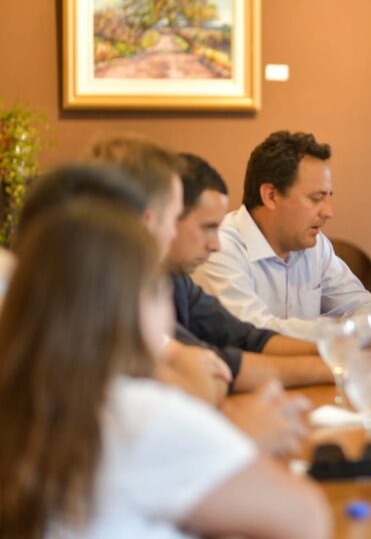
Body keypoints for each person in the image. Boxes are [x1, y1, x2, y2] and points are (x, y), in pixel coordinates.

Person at [0, 200, 331, 538]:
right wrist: (239, 442)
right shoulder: (136, 415)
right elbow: (307, 517)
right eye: (159, 289)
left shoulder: (24, 406)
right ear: (136, 301)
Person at [17, 161, 314, 457]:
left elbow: (238, 343)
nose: (215, 245)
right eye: (170, 218)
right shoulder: (114, 387)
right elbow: (213, 374)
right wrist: (237, 430)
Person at [167, 152, 333, 391]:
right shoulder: (125, 292)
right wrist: (333, 367)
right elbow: (215, 369)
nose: (215, 245)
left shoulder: (175, 280)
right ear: (158, 218)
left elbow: (248, 337)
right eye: (207, 227)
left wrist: (335, 352)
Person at [194, 131, 371, 340]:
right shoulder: (218, 248)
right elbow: (254, 335)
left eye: (328, 197)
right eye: (316, 198)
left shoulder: (315, 245)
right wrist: (339, 329)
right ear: (271, 196)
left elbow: (363, 306)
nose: (328, 212)